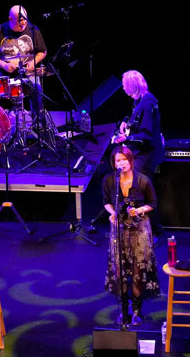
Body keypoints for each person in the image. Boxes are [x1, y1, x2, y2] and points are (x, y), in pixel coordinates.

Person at [102, 145, 160, 326]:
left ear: (130, 160)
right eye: (118, 160)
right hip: (119, 229)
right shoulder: (110, 181)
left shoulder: (142, 180)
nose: (121, 163)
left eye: (124, 159)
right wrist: (112, 213)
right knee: (120, 271)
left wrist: (140, 210)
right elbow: (106, 202)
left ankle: (136, 311)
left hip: (139, 230)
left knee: (137, 271)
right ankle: (124, 311)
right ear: (114, 163)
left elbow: (153, 203)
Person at [112, 70, 165, 240]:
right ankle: (141, 227)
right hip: (142, 153)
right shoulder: (141, 100)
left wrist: (126, 138)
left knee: (144, 191)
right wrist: (125, 123)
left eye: (124, 85)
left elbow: (146, 136)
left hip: (147, 155)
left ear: (131, 86)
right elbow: (135, 120)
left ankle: (156, 232)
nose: (122, 88)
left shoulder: (146, 104)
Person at [0, 5, 48, 121]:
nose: (23, 24)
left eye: (25, 21)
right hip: (3, 70)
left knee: (37, 89)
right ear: (10, 19)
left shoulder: (33, 30)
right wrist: (3, 65)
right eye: (19, 22)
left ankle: (37, 124)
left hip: (27, 71)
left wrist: (33, 63)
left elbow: (43, 51)